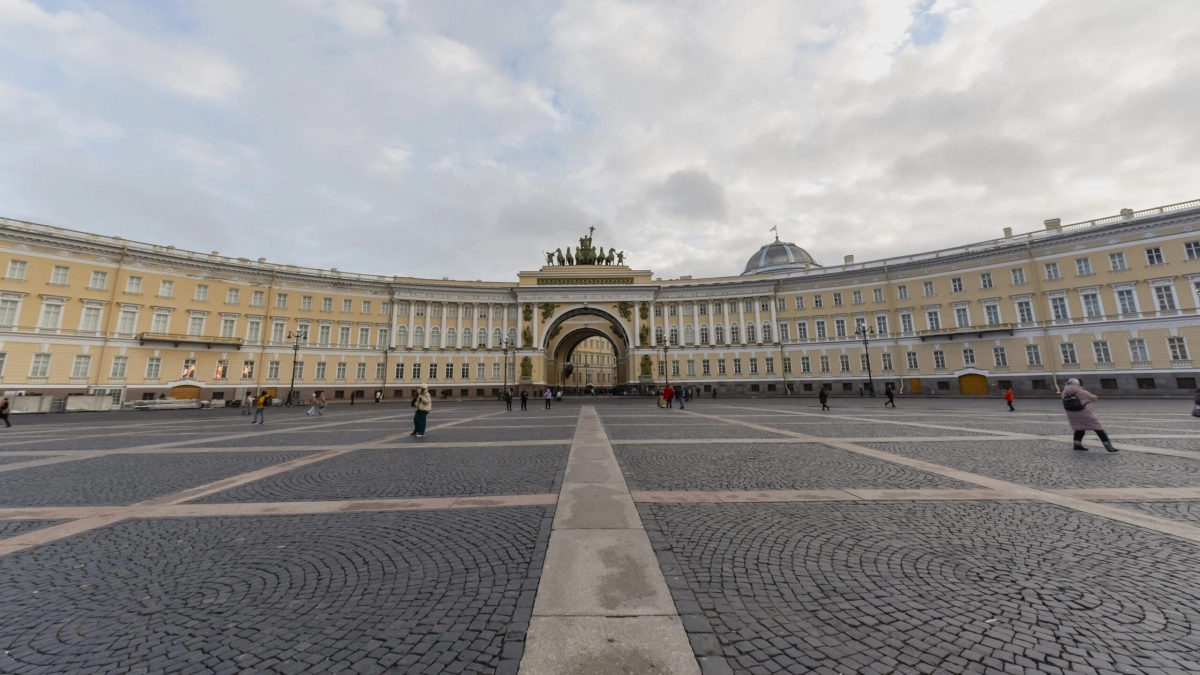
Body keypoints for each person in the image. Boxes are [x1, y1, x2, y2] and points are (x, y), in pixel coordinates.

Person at [1061, 378, 1116, 452]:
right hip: (1084, 413)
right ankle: (1108, 446)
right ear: (1077, 384)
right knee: (1098, 428)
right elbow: (1093, 398)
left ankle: (1077, 445)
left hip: (1071, 413)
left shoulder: (1064, 393)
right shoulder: (1081, 391)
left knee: (1079, 428)